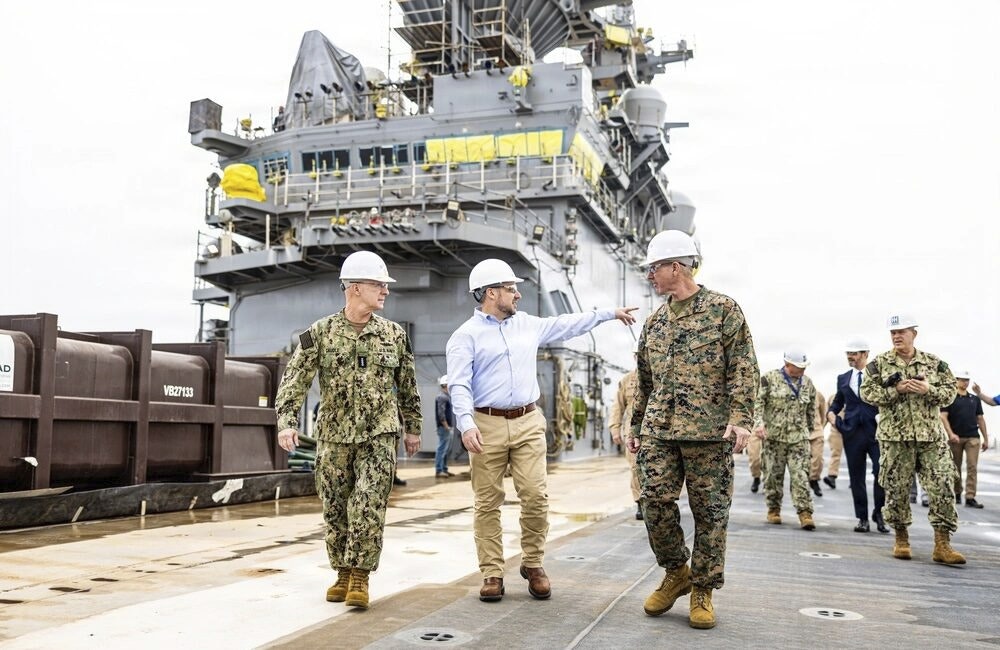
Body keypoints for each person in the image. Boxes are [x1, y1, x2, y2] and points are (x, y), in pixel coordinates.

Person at [446, 258, 637, 604]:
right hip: (485, 423)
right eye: (510, 288)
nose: (517, 294)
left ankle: (533, 563)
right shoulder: (464, 336)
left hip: (528, 421)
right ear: (491, 293)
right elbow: (458, 384)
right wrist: (466, 423)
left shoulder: (528, 325)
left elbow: (567, 324)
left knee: (535, 495)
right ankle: (491, 572)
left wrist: (608, 313)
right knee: (487, 502)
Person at [627, 230, 759, 630]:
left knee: (711, 514)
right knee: (653, 502)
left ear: (676, 267)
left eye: (654, 268)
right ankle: (676, 571)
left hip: (709, 432)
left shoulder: (723, 310)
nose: (650, 275)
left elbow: (744, 368)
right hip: (659, 432)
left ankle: (703, 588)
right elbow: (644, 380)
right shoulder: (654, 323)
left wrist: (742, 419)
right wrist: (636, 425)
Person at [275, 250, 421, 609]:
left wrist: (412, 428)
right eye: (378, 285)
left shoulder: (394, 335)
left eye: (385, 286)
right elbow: (295, 380)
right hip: (334, 436)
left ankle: (360, 576)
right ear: (355, 288)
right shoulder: (319, 333)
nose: (385, 291)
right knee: (335, 507)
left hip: (379, 434)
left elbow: (408, 385)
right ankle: (341, 571)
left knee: (368, 504)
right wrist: (286, 422)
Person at [859, 313, 964, 564]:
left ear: (913, 334)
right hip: (896, 439)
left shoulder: (934, 363)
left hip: (931, 439)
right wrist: (895, 390)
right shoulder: (879, 364)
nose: (896, 336)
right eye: (893, 333)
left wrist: (929, 390)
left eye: (902, 332)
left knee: (943, 486)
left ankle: (942, 544)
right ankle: (901, 538)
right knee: (896, 490)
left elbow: (951, 392)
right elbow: (867, 393)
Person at [753, 349, 817, 530]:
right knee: (772, 475)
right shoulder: (769, 379)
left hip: (798, 440)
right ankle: (773, 509)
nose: (802, 370)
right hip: (774, 438)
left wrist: (809, 432)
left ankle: (805, 513)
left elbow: (811, 410)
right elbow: (758, 403)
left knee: (800, 476)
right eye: (799, 367)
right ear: (787, 365)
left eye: (804, 367)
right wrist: (758, 424)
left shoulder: (808, 383)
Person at [828, 338, 886, 533]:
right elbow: (838, 402)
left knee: (881, 473)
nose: (850, 357)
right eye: (848, 354)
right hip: (852, 433)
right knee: (856, 477)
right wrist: (832, 415)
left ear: (865, 354)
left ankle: (879, 514)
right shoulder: (843, 378)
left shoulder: (878, 376)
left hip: (876, 433)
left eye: (853, 354)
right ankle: (862, 518)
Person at [941, 371, 989, 508]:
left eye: (967, 380)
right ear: (956, 380)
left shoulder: (974, 399)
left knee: (972, 467)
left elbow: (980, 418)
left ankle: (970, 496)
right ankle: (956, 493)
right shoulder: (950, 398)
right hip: (956, 438)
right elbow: (943, 416)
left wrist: (985, 438)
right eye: (962, 380)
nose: (965, 383)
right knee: (955, 467)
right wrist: (950, 434)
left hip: (972, 437)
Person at [610, 343, 642, 520]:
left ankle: (656, 503)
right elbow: (617, 407)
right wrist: (615, 429)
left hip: (655, 430)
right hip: (632, 431)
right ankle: (640, 503)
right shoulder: (627, 381)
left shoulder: (659, 378)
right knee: (636, 468)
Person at [807, 392, 829, 497]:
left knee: (818, 458)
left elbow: (823, 414)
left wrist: (820, 428)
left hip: (816, 431)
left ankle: (814, 479)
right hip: (800, 433)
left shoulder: (818, 395)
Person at [822, 391, 844, 490]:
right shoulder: (832, 397)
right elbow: (827, 414)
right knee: (835, 454)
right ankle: (832, 476)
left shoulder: (855, 394)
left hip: (854, 430)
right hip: (836, 430)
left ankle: (855, 478)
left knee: (857, 455)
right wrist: (820, 430)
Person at [435, 375, 455, 478]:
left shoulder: (446, 396)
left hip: (447, 427)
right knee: (442, 449)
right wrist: (446, 426)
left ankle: (444, 469)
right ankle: (439, 470)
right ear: (446, 385)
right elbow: (441, 413)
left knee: (446, 449)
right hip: (444, 428)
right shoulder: (442, 397)